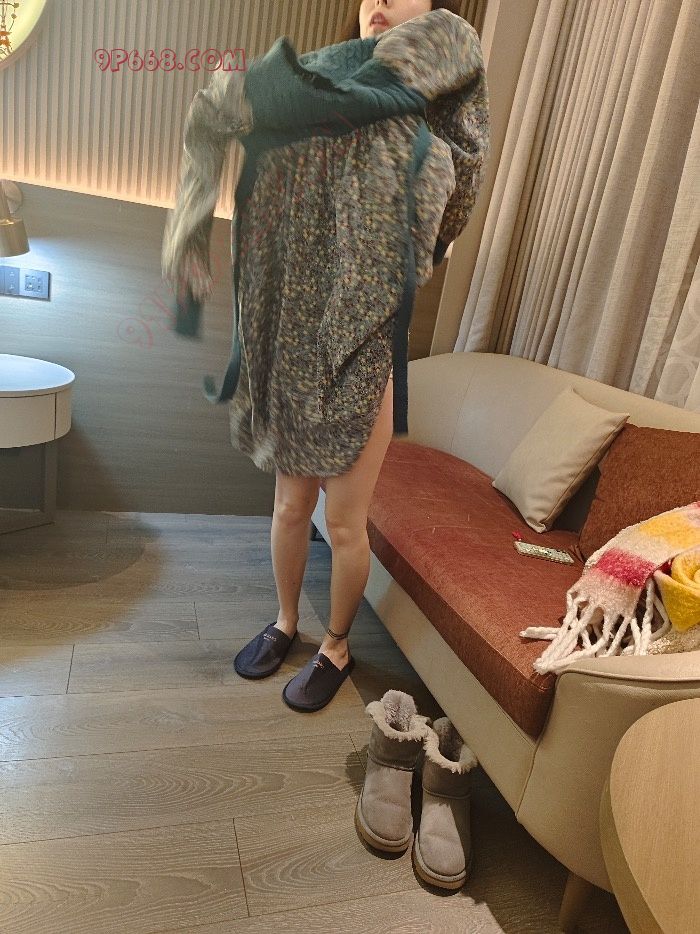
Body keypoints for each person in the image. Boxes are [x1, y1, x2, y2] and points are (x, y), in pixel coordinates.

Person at [162, 0, 489, 712]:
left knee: (343, 521)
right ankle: (286, 622)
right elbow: (215, 114)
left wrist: (413, 183)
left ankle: (336, 647)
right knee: (289, 505)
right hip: (294, 335)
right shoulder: (303, 89)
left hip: (364, 340)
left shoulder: (438, 91)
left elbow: (455, 192)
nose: (379, 2)